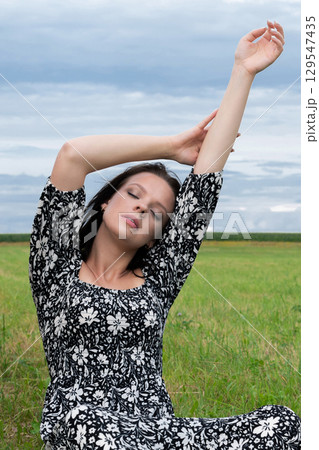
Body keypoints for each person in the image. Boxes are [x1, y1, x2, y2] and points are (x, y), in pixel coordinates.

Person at [29, 20, 301, 449]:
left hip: (158, 432)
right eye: (133, 194)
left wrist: (243, 71)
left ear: (159, 234)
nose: (141, 207)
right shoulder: (57, 265)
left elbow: (207, 175)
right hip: (81, 430)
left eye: (157, 210)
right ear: (104, 202)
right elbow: (72, 156)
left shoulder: (159, 276)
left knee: (281, 423)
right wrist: (170, 147)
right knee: (88, 422)